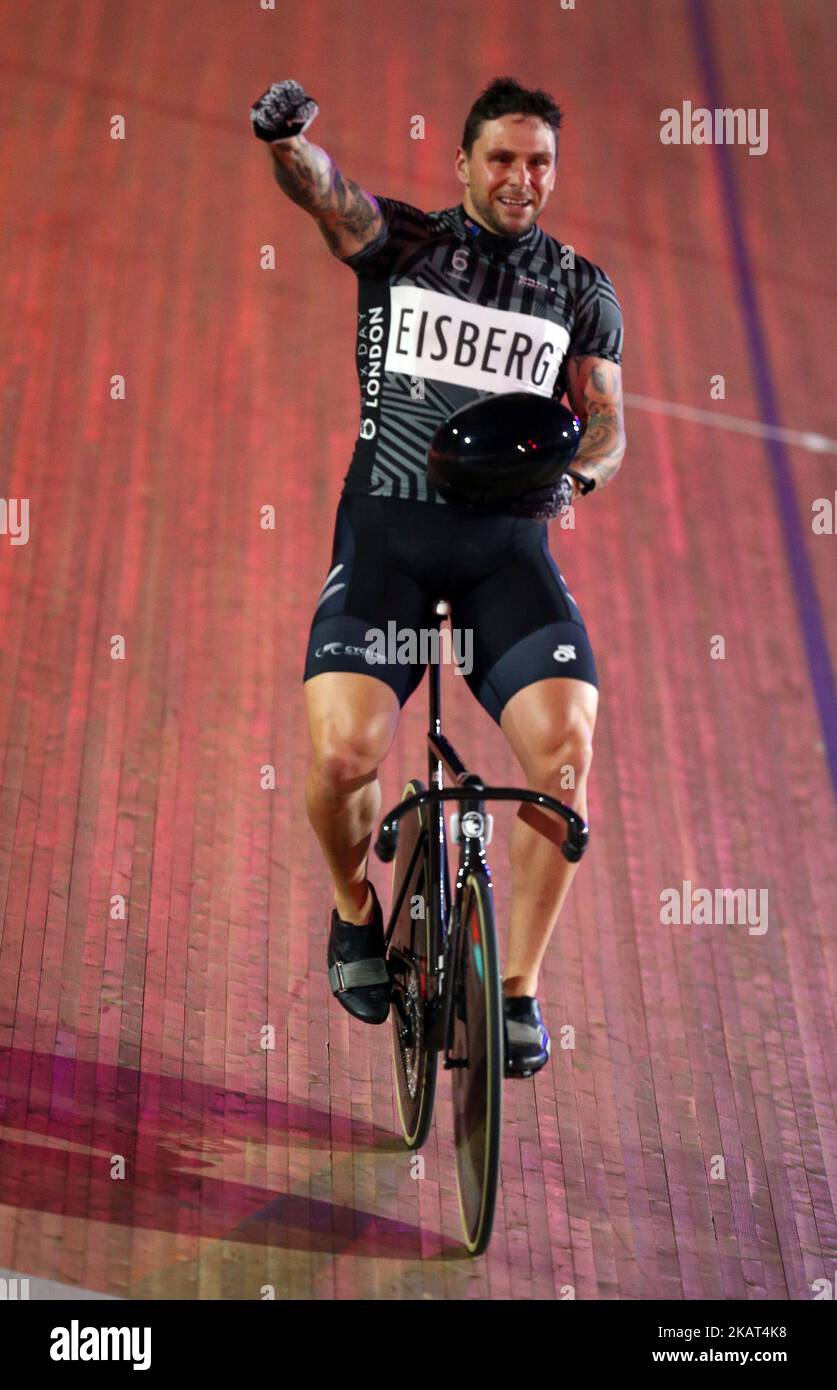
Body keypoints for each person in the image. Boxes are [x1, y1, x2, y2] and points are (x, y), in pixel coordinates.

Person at [250, 76, 626, 1077]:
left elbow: (605, 421)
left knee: (564, 760)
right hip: (391, 543)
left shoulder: (581, 290)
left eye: (538, 160)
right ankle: (352, 911)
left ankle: (516, 992)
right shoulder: (407, 246)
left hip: (506, 551)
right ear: (463, 163)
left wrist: (579, 470)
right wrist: (288, 141)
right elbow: (331, 197)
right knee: (342, 759)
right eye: (501, 158)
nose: (520, 178)